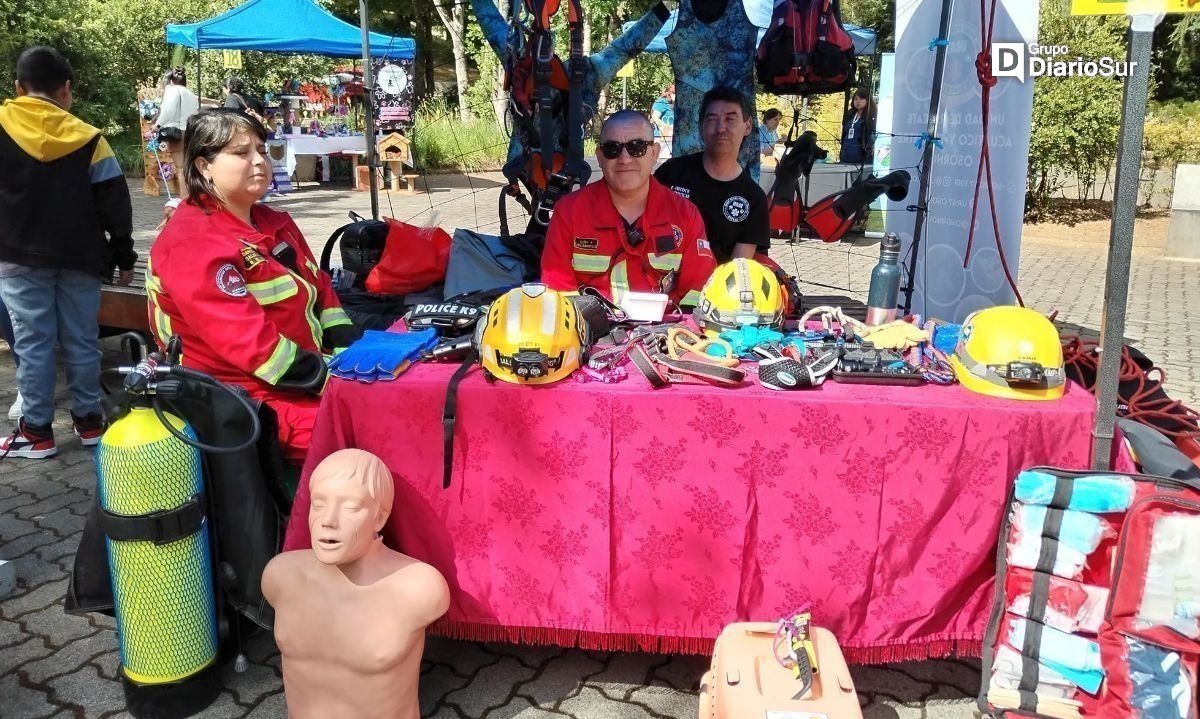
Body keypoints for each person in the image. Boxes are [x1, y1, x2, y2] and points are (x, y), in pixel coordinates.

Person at [148, 109, 357, 464]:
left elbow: (321, 290)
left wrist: (350, 351)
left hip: (303, 382)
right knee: (369, 439)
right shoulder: (193, 241)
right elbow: (252, 346)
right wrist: (335, 381)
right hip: (248, 401)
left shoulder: (274, 221)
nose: (260, 161)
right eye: (241, 153)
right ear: (203, 166)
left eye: (262, 149)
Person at [0, 46, 135, 459]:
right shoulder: (90, 139)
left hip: (18, 257)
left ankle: (37, 432)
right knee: (81, 339)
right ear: (66, 90)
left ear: (18, 87)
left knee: (33, 343)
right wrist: (124, 255)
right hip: (82, 258)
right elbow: (115, 202)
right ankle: (90, 423)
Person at [264, 449, 449, 719]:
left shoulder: (418, 588)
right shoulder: (280, 576)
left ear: (380, 518)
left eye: (350, 507)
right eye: (319, 504)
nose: (328, 521)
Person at [541, 110, 716, 308]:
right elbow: (557, 293)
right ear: (599, 157)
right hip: (589, 335)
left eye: (637, 147)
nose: (624, 159)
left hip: (668, 334)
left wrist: (677, 333)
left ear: (655, 153)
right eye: (612, 149)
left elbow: (699, 293)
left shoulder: (685, 215)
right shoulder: (569, 213)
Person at [654, 86, 769, 264]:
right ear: (701, 127)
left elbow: (737, 271)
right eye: (712, 119)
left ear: (747, 126)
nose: (720, 128)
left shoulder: (753, 198)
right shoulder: (671, 173)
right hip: (661, 283)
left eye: (730, 119)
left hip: (717, 289)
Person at [150, 67, 199, 199]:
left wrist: (157, 125)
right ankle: (193, 194)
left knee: (180, 167)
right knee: (189, 165)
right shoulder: (191, 94)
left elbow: (168, 110)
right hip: (191, 132)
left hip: (176, 132)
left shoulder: (171, 91)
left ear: (170, 81)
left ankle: (184, 197)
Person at [840, 89, 875, 165]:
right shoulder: (850, 113)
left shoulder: (872, 115)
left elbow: (874, 135)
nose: (858, 101)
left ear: (868, 100)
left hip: (862, 156)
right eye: (856, 99)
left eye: (861, 99)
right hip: (845, 154)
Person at [651, 84, 675, 158]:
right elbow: (655, 118)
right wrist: (666, 127)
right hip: (662, 138)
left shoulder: (675, 104)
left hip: (672, 139)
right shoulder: (661, 102)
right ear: (669, 93)